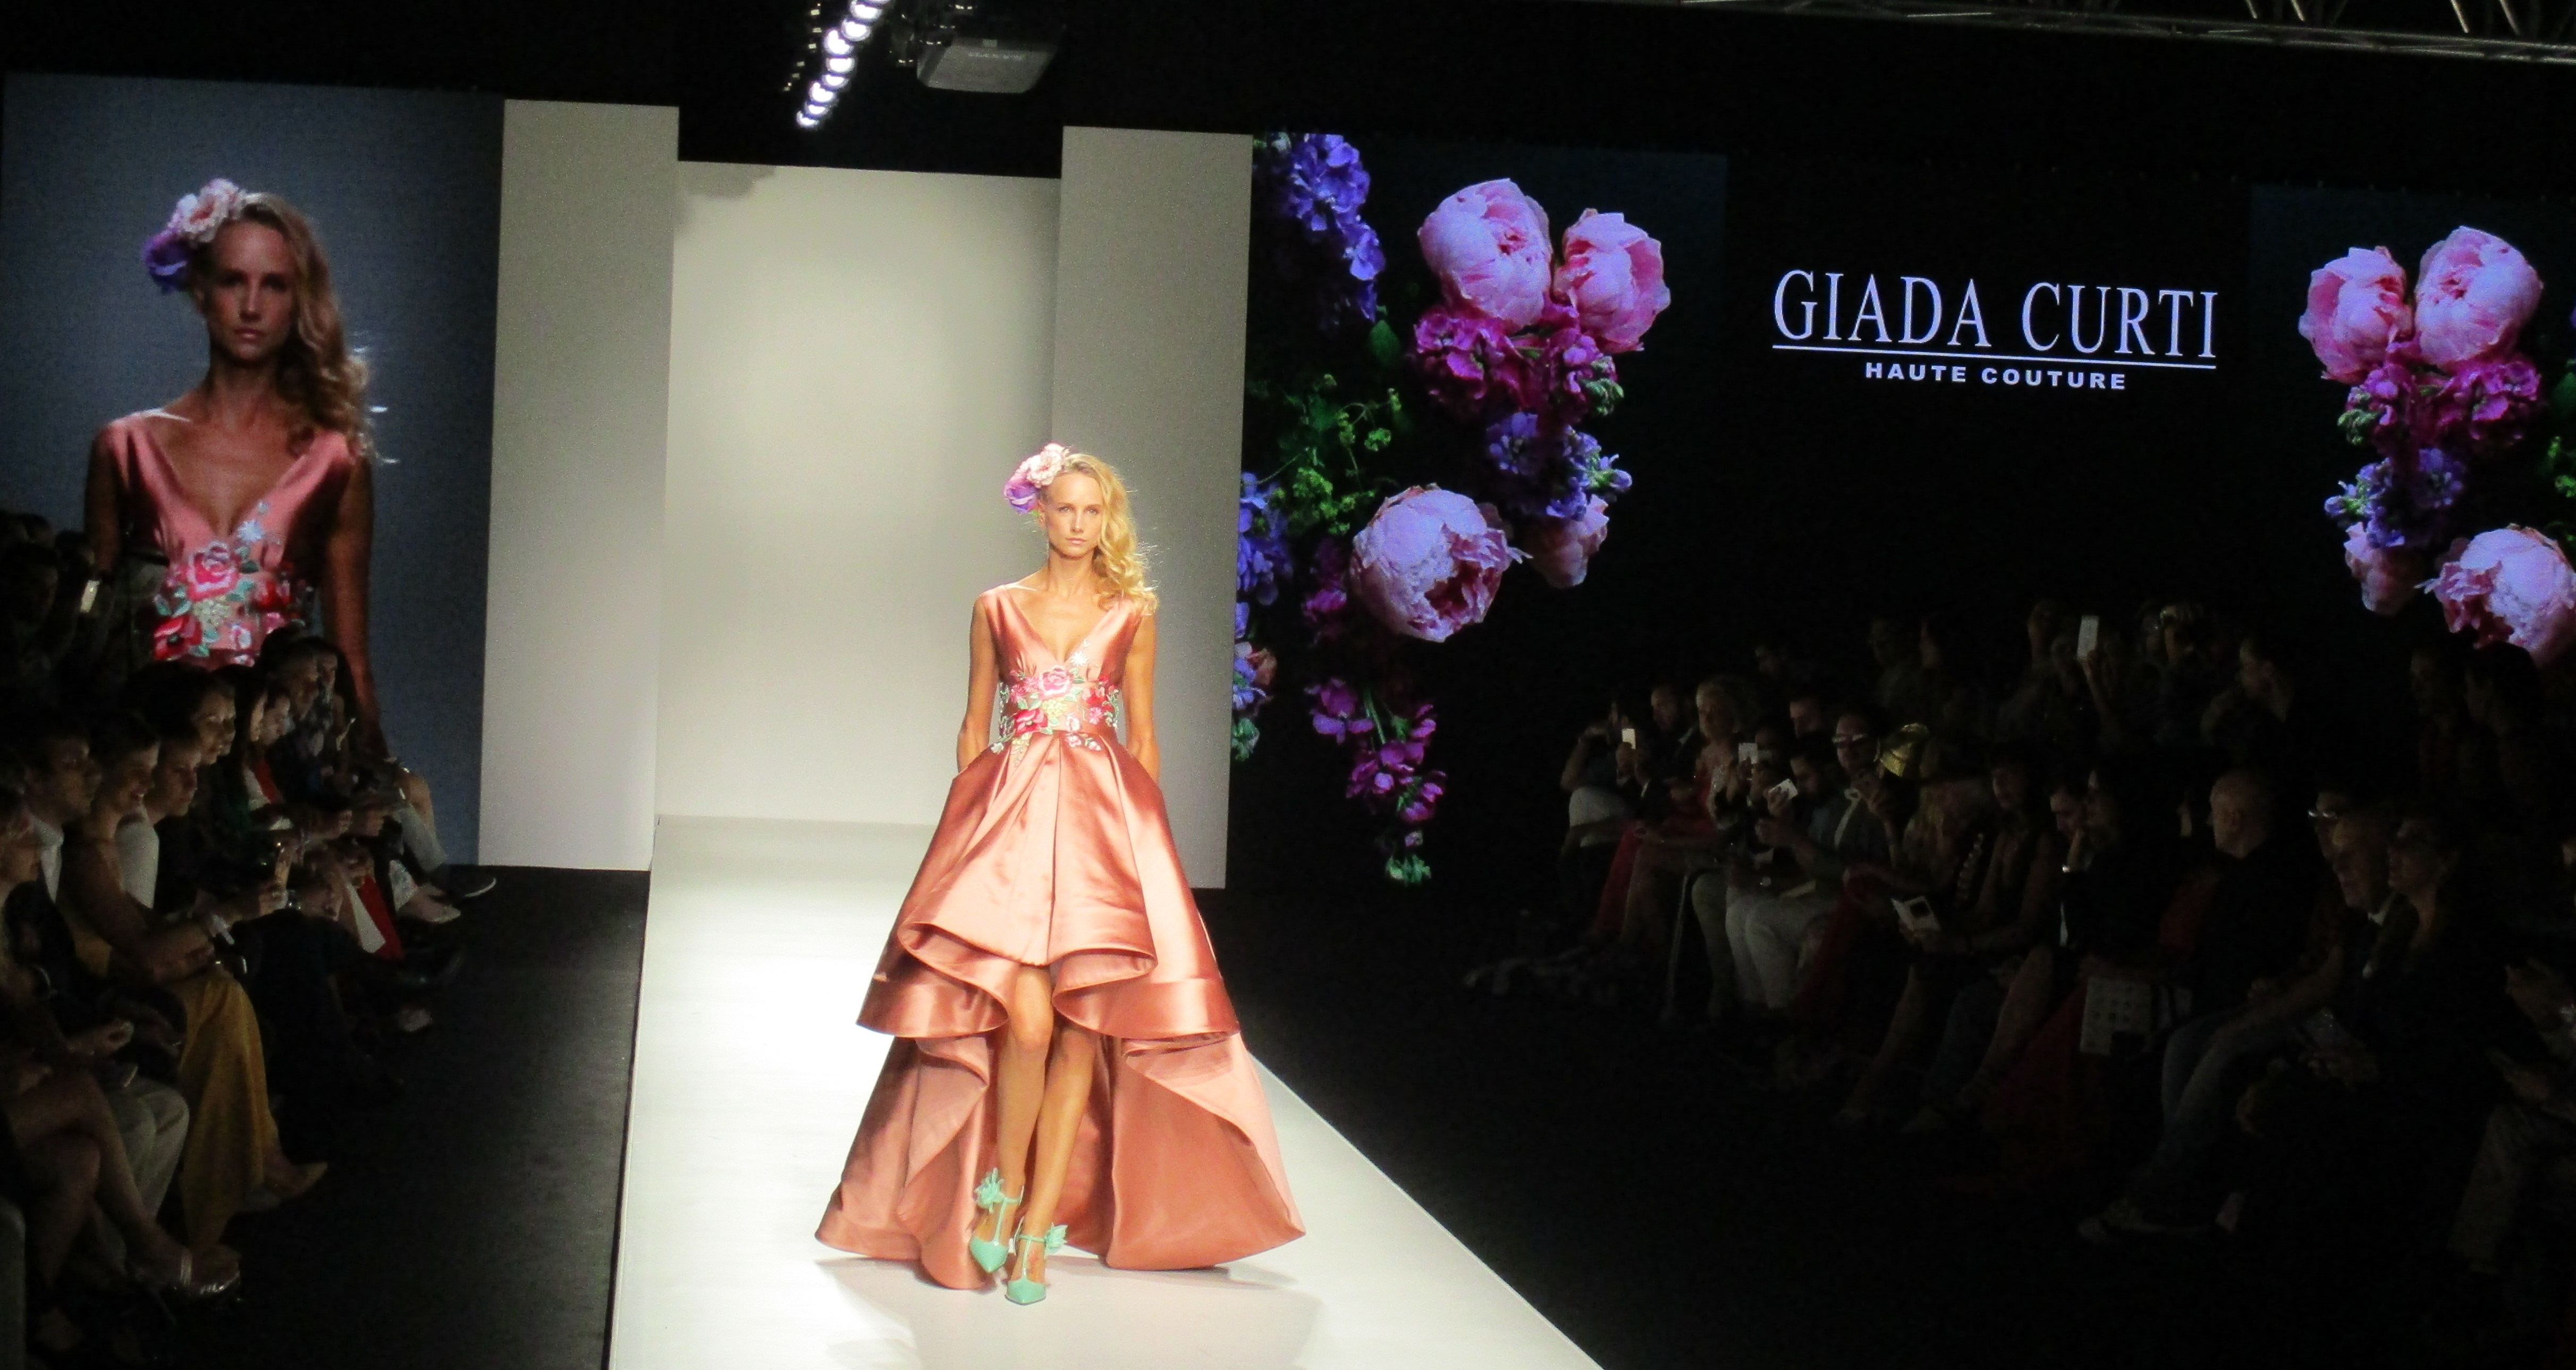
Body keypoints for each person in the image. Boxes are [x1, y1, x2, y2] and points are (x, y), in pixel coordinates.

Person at [817, 445, 1300, 1305]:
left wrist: (1148, 850)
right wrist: (967, 830)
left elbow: (1142, 735)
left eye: (1090, 510)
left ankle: (1036, 1229)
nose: (1076, 524)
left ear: (1105, 520)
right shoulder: (997, 607)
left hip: (1101, 831)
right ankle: (1000, 1194)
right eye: (1063, 508)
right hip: (1012, 825)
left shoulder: (1132, 613)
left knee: (1084, 1025)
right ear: (1038, 513)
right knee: (1029, 1023)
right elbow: (973, 726)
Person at [82, 179, 383, 751]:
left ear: (299, 300)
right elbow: (91, 646)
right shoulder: (126, 448)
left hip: (274, 763)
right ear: (200, 289)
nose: (251, 306)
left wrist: (378, 779)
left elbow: (350, 663)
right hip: (149, 760)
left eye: (274, 285)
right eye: (232, 281)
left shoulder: (333, 461)